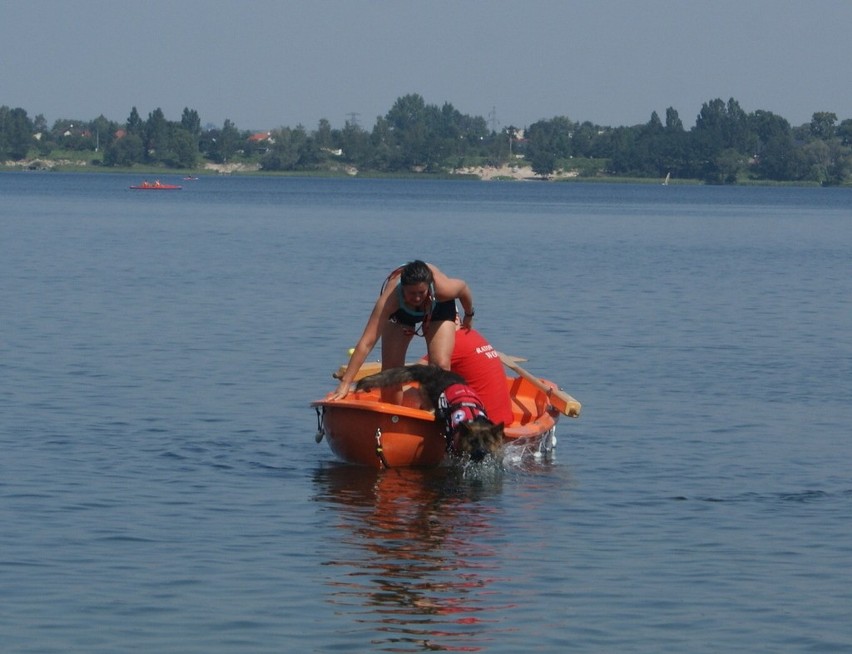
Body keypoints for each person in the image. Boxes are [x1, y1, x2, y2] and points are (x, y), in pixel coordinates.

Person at [330, 260, 475, 402]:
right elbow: (367, 342)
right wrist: (346, 383)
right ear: (402, 288)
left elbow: (463, 288)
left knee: (441, 366)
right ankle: (392, 417)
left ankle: (440, 412)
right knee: (391, 373)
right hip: (402, 312)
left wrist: (468, 315)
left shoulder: (442, 289)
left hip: (438, 307)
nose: (417, 297)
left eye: (421, 292)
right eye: (412, 293)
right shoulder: (390, 300)